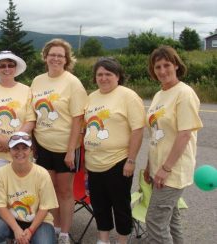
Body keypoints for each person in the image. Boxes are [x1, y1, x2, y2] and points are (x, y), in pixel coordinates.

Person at [30, 38, 87, 244]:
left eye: (60, 55)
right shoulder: (37, 81)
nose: (55, 58)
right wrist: (34, 144)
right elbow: (34, 114)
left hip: (66, 148)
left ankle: (64, 233)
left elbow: (78, 120)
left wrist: (71, 150)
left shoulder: (73, 83)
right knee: (49, 190)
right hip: (43, 146)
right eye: (52, 54)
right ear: (45, 57)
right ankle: (53, 227)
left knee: (64, 192)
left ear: (66, 59)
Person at [145, 46, 203, 244]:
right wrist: (149, 166)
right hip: (159, 168)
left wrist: (165, 168)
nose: (162, 71)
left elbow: (184, 134)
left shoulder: (184, 94)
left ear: (176, 65)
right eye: (157, 66)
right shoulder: (159, 95)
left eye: (166, 65)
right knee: (171, 219)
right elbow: (156, 133)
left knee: (154, 222)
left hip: (172, 170)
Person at [83, 57, 145, 244]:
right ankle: (103, 239)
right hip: (93, 162)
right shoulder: (91, 97)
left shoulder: (128, 96)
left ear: (118, 76)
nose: (103, 78)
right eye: (99, 74)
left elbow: (138, 130)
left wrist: (131, 160)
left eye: (108, 74)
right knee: (99, 204)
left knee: (120, 205)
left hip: (118, 161)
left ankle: (122, 239)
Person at [0, 131, 58, 244]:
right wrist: (16, 229)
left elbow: (45, 207)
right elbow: (0, 206)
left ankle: (25, 238)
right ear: (9, 150)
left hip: (39, 222)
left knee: (44, 242)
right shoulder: (0, 173)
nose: (20, 152)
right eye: (15, 148)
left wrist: (30, 230)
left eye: (25, 148)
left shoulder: (42, 174)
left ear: (31, 151)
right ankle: (15, 238)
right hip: (12, 220)